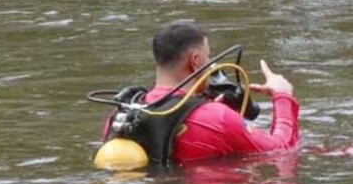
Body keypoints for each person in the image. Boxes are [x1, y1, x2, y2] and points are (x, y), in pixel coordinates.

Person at [102, 20, 299, 164]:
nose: (211, 64)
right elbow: (282, 150)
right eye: (209, 56)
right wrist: (283, 96)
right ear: (195, 61)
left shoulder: (121, 117)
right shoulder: (219, 119)